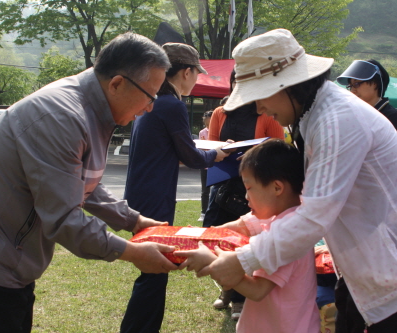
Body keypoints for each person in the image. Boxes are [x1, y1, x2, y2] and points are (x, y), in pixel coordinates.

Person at [181, 28, 397, 332]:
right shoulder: (312, 115)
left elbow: (312, 217)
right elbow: (300, 203)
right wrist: (232, 230)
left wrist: (242, 260)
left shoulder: (337, 121)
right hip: (366, 269)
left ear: (289, 85)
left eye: (260, 96)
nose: (258, 108)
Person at [0, 32, 182, 333]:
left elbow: (83, 183)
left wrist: (135, 221)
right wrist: (132, 252)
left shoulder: (92, 108)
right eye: (150, 96)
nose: (150, 107)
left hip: (9, 266)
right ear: (117, 83)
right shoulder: (61, 115)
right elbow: (64, 219)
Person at [120, 42, 228, 333]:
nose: (197, 79)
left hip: (139, 196)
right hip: (154, 199)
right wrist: (218, 154)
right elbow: (191, 156)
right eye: (197, 74)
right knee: (153, 275)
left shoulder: (153, 101)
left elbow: (171, 150)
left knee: (152, 273)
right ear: (187, 72)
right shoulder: (173, 105)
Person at [177, 138, 321, 333]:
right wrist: (201, 235)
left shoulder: (284, 235)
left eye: (249, 188)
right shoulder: (281, 217)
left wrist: (212, 262)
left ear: (277, 188)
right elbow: (239, 226)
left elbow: (258, 290)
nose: (246, 197)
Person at [203, 69, 284, 320]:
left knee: (246, 238)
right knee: (219, 235)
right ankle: (227, 289)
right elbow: (211, 147)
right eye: (236, 81)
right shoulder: (220, 112)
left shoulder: (265, 111)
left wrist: (257, 150)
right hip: (223, 182)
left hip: (254, 184)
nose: (241, 86)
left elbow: (278, 146)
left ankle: (239, 298)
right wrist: (223, 148)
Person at [337, 59, 397, 138]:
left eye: (356, 84)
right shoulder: (356, 113)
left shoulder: (391, 117)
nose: (353, 90)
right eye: (350, 86)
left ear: (375, 83)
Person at [198, 110, 213, 222]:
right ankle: (203, 212)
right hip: (205, 165)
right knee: (205, 190)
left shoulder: (217, 130)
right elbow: (201, 147)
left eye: (210, 122)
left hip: (215, 164)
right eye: (206, 123)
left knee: (216, 189)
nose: (208, 125)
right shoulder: (202, 132)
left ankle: (213, 210)